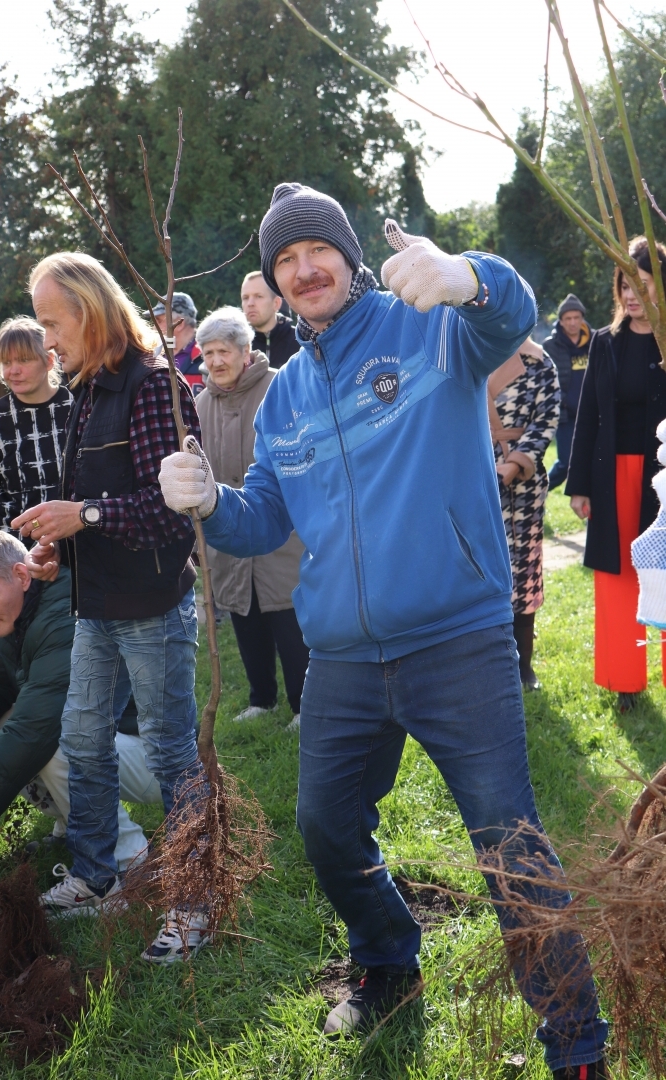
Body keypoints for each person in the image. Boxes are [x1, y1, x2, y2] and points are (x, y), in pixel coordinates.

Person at [158, 184, 609, 1078]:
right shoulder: (283, 398)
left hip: (458, 641)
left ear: (350, 255)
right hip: (344, 658)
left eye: (316, 249)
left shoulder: (429, 330)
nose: (304, 269)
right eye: (285, 260)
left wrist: (468, 275)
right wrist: (212, 504)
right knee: (326, 825)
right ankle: (389, 960)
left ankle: (577, 1044)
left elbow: (509, 313)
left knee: (508, 844)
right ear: (276, 285)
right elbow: (266, 520)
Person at [11, 252, 209, 964]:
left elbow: (169, 511)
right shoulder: (89, 390)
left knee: (168, 748)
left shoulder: (154, 386)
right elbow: (100, 509)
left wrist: (84, 514)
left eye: (51, 322)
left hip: (152, 604)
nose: (45, 340)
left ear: (89, 311)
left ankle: (194, 899)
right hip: (96, 601)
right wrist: (63, 549)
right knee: (83, 738)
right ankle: (99, 873)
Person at [0, 531, 161, 870]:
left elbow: (36, 728)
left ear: (20, 575)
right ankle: (75, 823)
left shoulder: (67, 615)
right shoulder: (25, 609)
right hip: (116, 744)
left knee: (59, 738)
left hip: (159, 760)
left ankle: (125, 860)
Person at [565, 236, 666, 714]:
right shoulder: (605, 343)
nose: (629, 295)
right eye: (624, 284)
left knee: (664, 572)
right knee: (619, 575)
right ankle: (625, 680)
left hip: (663, 479)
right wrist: (579, 485)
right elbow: (587, 417)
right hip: (614, 478)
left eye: (641, 285)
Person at [195, 305, 307, 726]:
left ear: (246, 352)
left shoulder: (281, 388)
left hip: (285, 533)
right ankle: (262, 699)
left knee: (288, 618)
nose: (216, 362)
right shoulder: (199, 404)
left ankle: (303, 704)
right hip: (229, 535)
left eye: (223, 351)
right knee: (246, 616)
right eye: (208, 354)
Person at [489, 337, 560, 689]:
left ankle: (523, 665)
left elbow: (547, 419)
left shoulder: (539, 360)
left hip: (522, 483)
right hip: (468, 477)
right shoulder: (459, 349)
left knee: (524, 571)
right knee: (476, 573)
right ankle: (482, 664)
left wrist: (516, 462)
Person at [0, 316, 73, 536]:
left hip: (76, 547)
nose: (13, 370)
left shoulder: (76, 405)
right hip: (14, 550)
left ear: (49, 361)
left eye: (24, 360)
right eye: (6, 362)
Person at [544, 294, 592, 489]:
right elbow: (547, 381)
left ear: (582, 319)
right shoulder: (550, 346)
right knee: (565, 463)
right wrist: (563, 401)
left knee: (593, 461)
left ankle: (590, 503)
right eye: (568, 319)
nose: (573, 322)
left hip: (592, 413)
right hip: (566, 415)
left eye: (576, 317)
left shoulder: (596, 341)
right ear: (561, 322)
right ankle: (539, 493)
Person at [241, 270, 298, 368]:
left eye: (258, 296)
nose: (250, 303)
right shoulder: (237, 345)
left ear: (276, 303)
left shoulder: (300, 342)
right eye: (245, 298)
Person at [152, 292, 204, 395]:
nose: (154, 327)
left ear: (179, 323)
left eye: (158, 321)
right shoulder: (154, 356)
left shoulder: (207, 357)